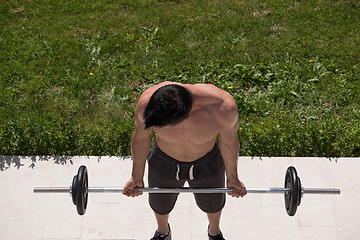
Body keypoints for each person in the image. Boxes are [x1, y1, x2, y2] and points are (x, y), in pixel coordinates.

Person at [123, 81, 247, 240]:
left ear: (187, 116)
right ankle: (163, 232)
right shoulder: (147, 104)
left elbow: (228, 142)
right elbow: (141, 137)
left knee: (213, 203)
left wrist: (232, 177)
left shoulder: (223, 108)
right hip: (164, 160)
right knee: (160, 203)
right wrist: (136, 177)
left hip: (206, 161)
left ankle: (214, 232)